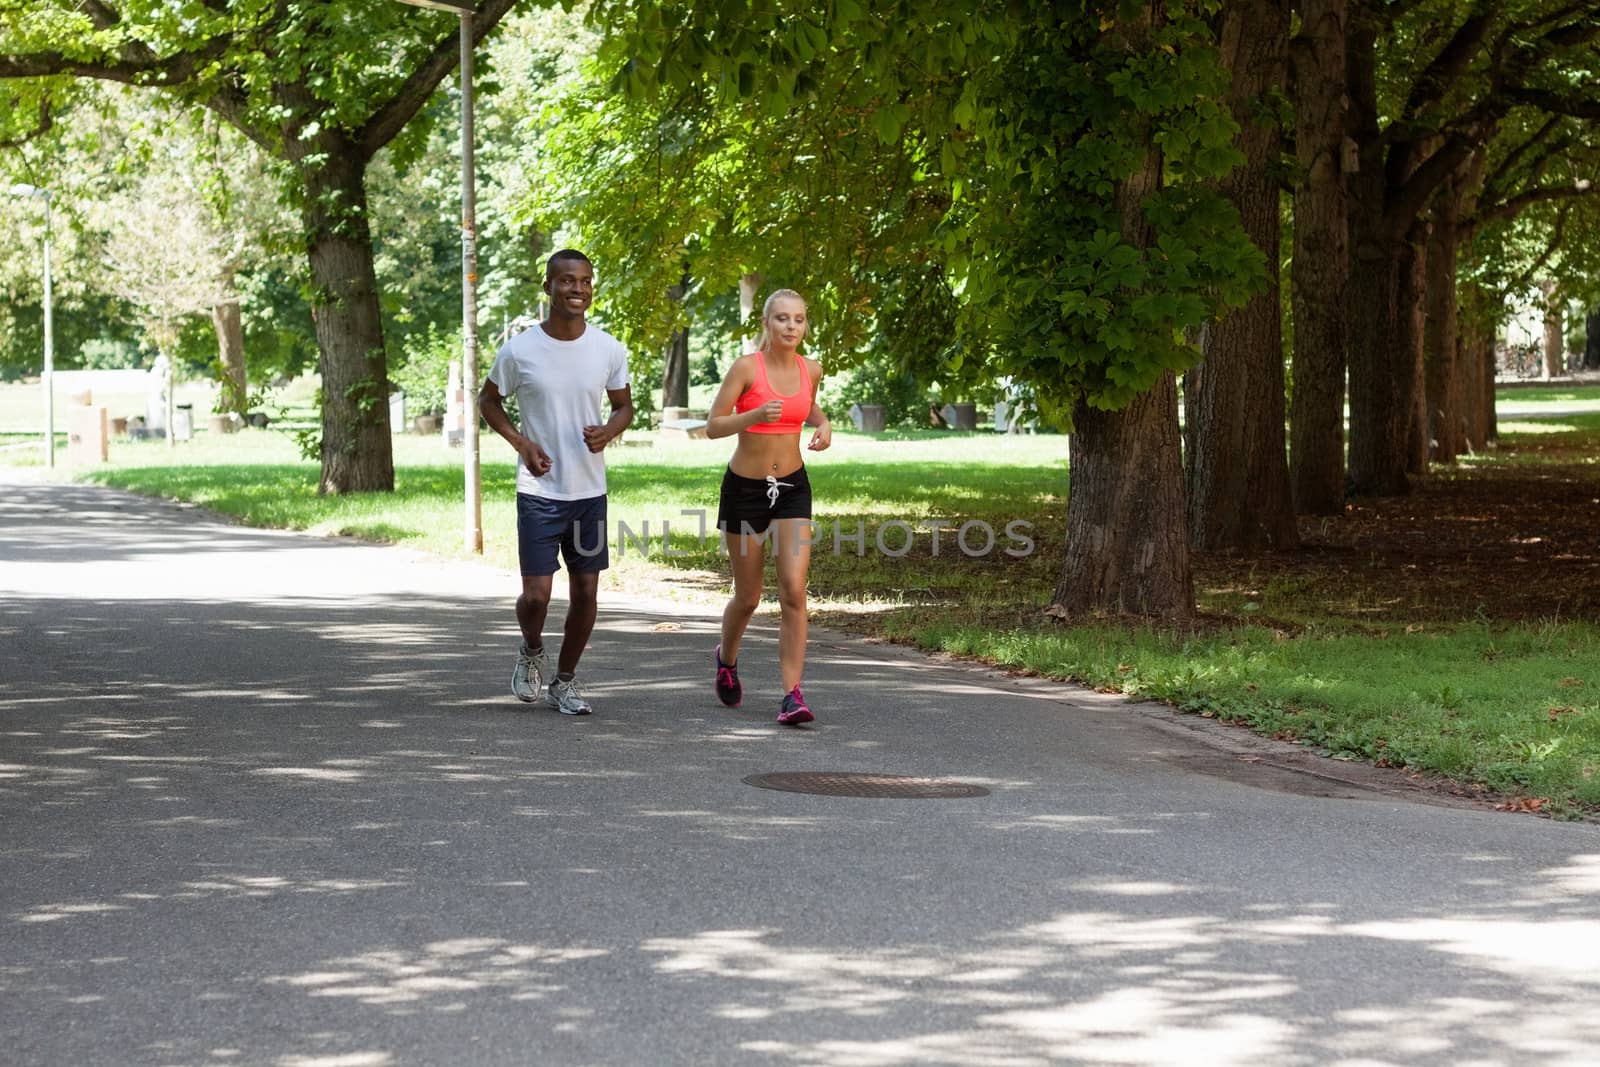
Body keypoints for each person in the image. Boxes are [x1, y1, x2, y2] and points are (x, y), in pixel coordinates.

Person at [479, 250, 634, 715]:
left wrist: (610, 429)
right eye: (567, 281)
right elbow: (489, 402)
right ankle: (531, 649)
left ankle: (564, 682)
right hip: (540, 493)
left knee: (587, 591)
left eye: (585, 281)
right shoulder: (520, 350)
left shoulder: (608, 348)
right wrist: (521, 443)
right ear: (547, 288)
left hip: (589, 493)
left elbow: (624, 405)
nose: (578, 289)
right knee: (536, 595)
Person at [706, 288, 831, 725]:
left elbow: (805, 404)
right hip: (744, 490)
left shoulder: (810, 369)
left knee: (795, 592)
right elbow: (713, 426)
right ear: (766, 323)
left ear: (805, 324)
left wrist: (824, 422)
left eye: (798, 319)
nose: (791, 326)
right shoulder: (746, 368)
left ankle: (792, 694)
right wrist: (754, 415)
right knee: (749, 596)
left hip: (793, 488)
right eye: (782, 319)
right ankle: (727, 658)